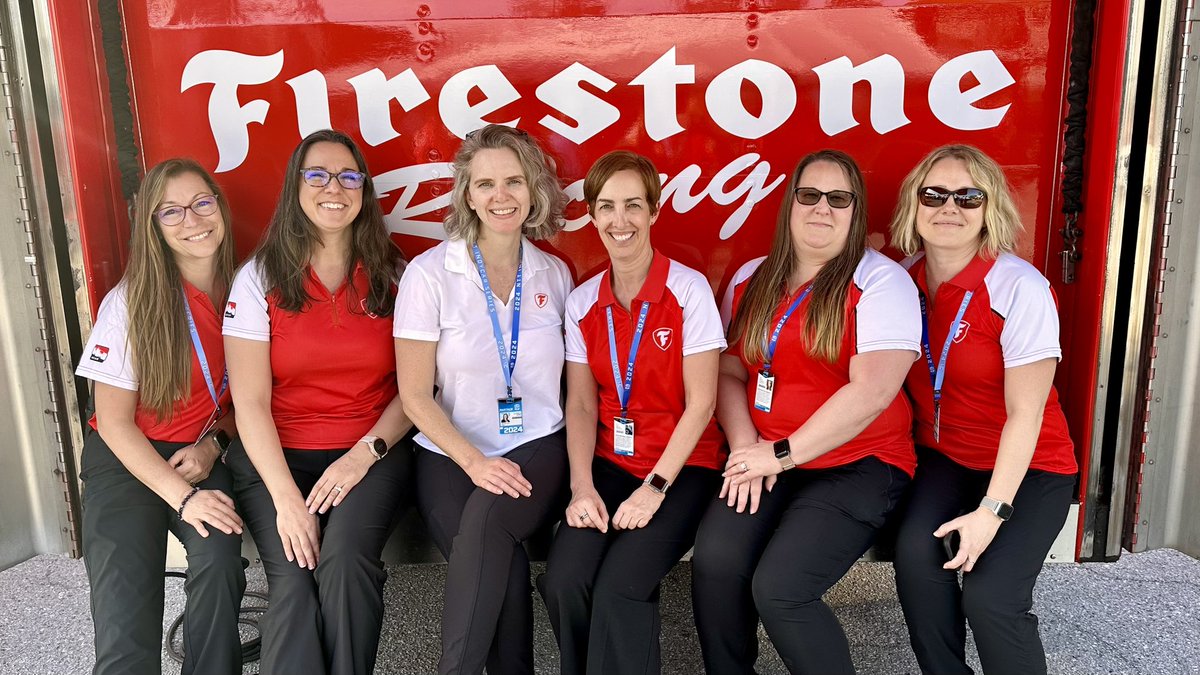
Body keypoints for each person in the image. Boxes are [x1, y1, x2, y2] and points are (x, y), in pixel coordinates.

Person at [690, 149, 922, 675]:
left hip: (858, 463)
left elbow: (872, 394)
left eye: (839, 199)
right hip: (767, 455)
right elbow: (729, 372)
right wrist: (748, 445)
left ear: (856, 212)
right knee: (717, 564)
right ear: (789, 205)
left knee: (781, 590)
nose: (823, 208)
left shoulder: (881, 282)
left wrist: (779, 454)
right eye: (809, 195)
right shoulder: (753, 278)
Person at [222, 129, 412, 674]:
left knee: (346, 562)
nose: (335, 187)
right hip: (275, 458)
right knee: (293, 575)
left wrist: (364, 452)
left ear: (364, 190)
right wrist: (287, 501)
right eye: (318, 175)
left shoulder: (393, 275)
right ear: (295, 188)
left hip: (371, 451)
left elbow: (416, 390)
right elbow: (251, 403)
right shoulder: (258, 278)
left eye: (349, 176)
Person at [888, 144, 1077, 675]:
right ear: (914, 204)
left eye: (968, 196)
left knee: (991, 599)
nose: (950, 207)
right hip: (946, 458)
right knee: (918, 566)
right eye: (935, 194)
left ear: (990, 208)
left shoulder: (1019, 287)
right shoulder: (899, 279)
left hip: (1030, 465)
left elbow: (1027, 414)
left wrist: (991, 513)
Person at [394, 124, 574, 675]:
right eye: (486, 183)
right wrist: (474, 462)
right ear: (467, 194)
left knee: (487, 530)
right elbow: (413, 396)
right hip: (449, 451)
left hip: (538, 445)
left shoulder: (555, 273)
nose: (502, 196)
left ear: (534, 189)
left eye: (514, 181)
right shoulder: (429, 275)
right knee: (504, 569)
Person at [537, 151, 725, 675]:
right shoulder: (582, 301)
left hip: (682, 470)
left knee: (620, 588)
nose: (620, 221)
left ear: (654, 211)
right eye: (607, 207)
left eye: (633, 206)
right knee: (565, 580)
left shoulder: (688, 292)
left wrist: (655, 487)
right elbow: (579, 403)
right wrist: (580, 488)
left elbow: (702, 402)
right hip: (609, 466)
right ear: (592, 215)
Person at [76, 158, 245, 675]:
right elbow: (115, 421)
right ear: (152, 225)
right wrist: (185, 498)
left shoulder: (247, 289)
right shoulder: (129, 303)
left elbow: (251, 400)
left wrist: (214, 445)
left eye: (201, 202)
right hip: (125, 459)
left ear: (219, 206)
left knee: (219, 560)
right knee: (127, 617)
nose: (192, 220)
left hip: (197, 450)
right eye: (171, 211)